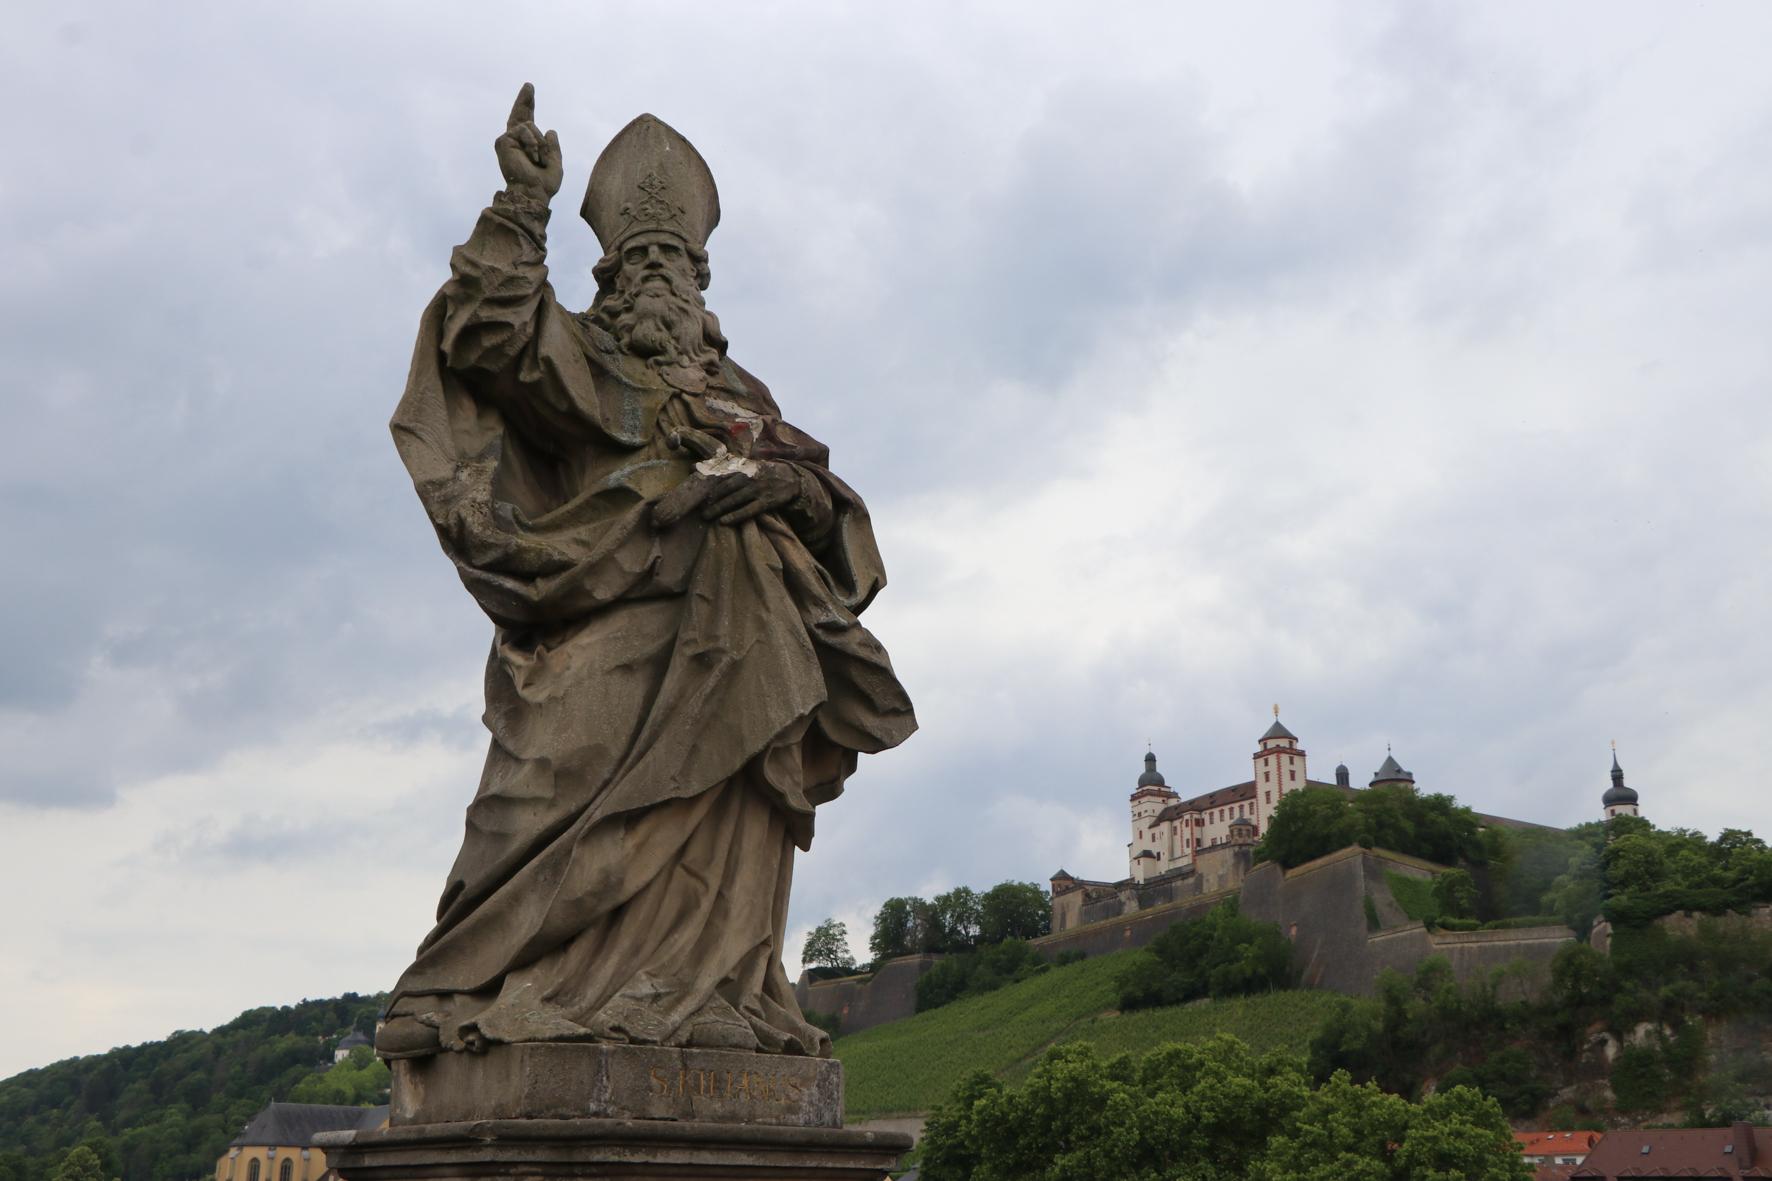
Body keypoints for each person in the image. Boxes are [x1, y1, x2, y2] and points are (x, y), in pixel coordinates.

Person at [374, 85, 915, 1061]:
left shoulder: (744, 395)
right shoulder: (582, 357)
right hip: (601, 610)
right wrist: (521, 208)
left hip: (740, 632)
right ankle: (457, 978)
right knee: (541, 780)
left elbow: (823, 498)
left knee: (730, 801)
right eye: (642, 260)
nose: (660, 277)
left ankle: (709, 990)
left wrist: (783, 494)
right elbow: (489, 337)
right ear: (609, 273)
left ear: (702, 281)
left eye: (677, 262)